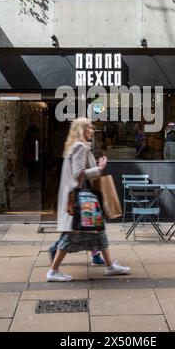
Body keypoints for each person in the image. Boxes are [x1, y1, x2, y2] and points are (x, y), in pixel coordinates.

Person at [47, 117, 131, 281]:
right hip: (80, 200)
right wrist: (99, 169)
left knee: (99, 231)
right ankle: (53, 271)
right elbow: (79, 173)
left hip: (82, 198)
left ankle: (110, 266)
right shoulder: (80, 147)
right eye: (89, 128)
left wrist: (97, 166)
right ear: (81, 130)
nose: (92, 131)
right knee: (70, 236)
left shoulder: (78, 146)